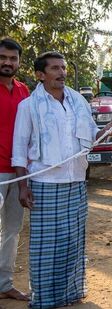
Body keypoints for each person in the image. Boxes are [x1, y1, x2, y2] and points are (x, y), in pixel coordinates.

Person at [11, 51, 112, 309]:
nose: (62, 73)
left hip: (76, 180)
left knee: (72, 240)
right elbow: (19, 148)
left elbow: (92, 136)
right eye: (55, 68)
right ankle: (45, 299)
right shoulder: (28, 106)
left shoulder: (78, 101)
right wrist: (23, 187)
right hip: (45, 183)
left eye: (64, 68)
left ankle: (69, 294)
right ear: (40, 74)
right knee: (46, 245)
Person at [0, 38, 30, 302]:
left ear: (19, 62)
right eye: (3, 57)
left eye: (13, 58)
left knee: (12, 230)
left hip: (19, 171)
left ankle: (4, 284)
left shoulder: (24, 91)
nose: (7, 62)